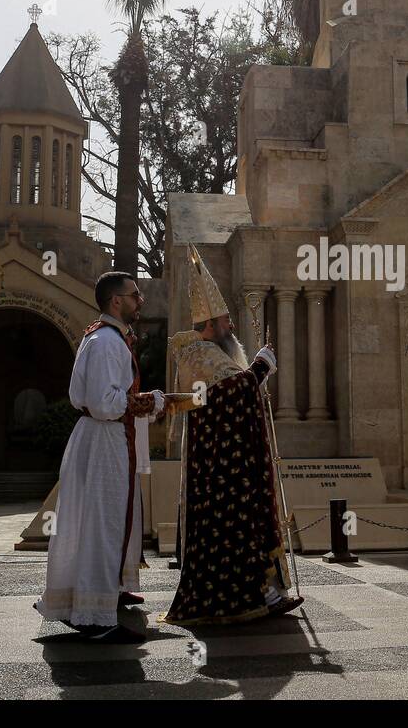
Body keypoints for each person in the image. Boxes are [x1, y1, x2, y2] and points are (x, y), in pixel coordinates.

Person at [164, 246, 299, 625]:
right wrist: (258, 369)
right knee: (234, 532)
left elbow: (233, 389)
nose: (232, 327)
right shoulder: (198, 355)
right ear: (209, 324)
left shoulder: (213, 353)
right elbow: (221, 396)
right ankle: (238, 601)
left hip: (236, 459)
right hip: (218, 467)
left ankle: (267, 596)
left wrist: (255, 374)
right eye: (225, 320)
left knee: (251, 528)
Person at [36, 271, 165, 643]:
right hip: (105, 437)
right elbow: (105, 403)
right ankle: (95, 618)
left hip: (101, 437)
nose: (140, 300)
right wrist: (150, 401)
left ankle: (95, 602)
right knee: (102, 525)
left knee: (98, 522)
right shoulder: (108, 342)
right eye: (134, 294)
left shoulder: (103, 336)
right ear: (115, 301)